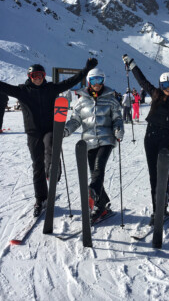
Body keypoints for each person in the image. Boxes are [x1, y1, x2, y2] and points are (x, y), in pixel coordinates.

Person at [0, 58, 98, 216]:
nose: (37, 78)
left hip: (49, 129)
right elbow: (3, 86)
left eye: (40, 75)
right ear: (29, 77)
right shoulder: (22, 91)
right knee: (37, 165)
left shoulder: (51, 89)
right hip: (33, 133)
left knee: (50, 144)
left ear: (44, 76)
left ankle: (54, 166)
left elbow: (71, 81)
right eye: (34, 76)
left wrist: (86, 69)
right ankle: (41, 198)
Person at [122, 54, 169, 225]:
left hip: (166, 138)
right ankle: (157, 210)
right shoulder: (155, 94)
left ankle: (164, 196)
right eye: (165, 85)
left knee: (162, 172)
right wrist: (132, 64)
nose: (168, 87)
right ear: (161, 85)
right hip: (150, 136)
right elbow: (142, 81)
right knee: (154, 174)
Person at [64, 67, 124, 224]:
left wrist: (118, 129)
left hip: (107, 139)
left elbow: (118, 118)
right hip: (88, 141)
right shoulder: (81, 100)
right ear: (89, 82)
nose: (97, 84)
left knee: (98, 169)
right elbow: (75, 119)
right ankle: (102, 203)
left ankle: (93, 194)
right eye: (94, 81)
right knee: (94, 174)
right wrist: (66, 130)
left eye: (100, 80)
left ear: (103, 81)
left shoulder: (111, 98)